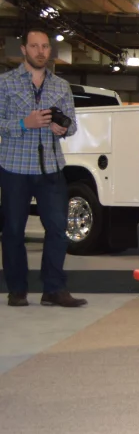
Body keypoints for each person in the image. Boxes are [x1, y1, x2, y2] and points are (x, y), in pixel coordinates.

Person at [0, 27, 87, 307]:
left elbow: (72, 125)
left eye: (45, 47)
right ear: (23, 49)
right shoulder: (6, 83)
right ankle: (17, 289)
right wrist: (25, 123)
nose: (41, 52)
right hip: (14, 167)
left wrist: (62, 127)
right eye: (35, 46)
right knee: (13, 230)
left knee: (58, 229)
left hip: (51, 167)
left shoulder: (60, 86)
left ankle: (53, 289)